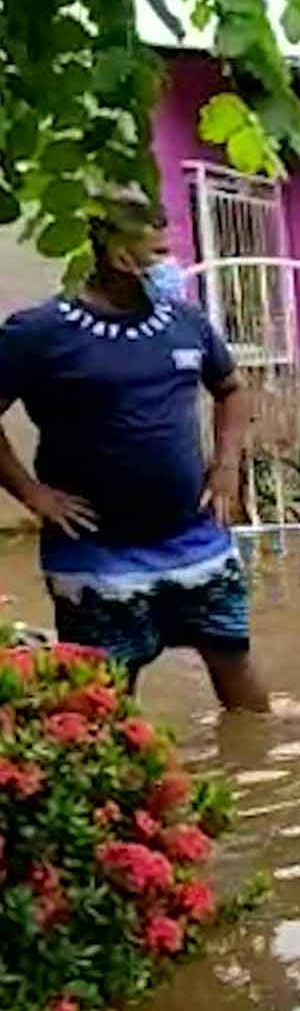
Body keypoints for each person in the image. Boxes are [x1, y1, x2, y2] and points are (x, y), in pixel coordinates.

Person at [0, 192, 267, 711]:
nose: (171, 267)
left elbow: (232, 390)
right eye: (158, 254)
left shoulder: (186, 322)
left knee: (233, 660)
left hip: (195, 539)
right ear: (118, 255)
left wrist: (226, 467)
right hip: (96, 554)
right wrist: (33, 495)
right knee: (103, 696)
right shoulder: (39, 334)